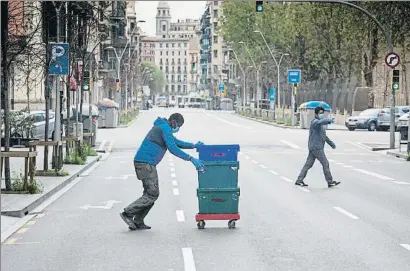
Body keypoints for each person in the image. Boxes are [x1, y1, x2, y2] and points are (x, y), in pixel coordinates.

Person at [120, 113, 205, 230]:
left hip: (145, 162)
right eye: (178, 125)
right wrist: (190, 158)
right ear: (174, 122)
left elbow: (176, 142)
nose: (178, 128)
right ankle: (128, 213)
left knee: (149, 194)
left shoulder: (163, 127)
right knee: (152, 194)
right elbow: (173, 148)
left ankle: (138, 221)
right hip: (145, 163)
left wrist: (193, 145)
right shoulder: (164, 128)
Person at [295, 106, 341, 188]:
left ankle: (299, 180)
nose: (322, 114)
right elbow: (320, 122)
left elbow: (324, 137)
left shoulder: (320, 125)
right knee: (325, 163)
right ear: (316, 114)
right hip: (316, 148)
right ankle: (330, 181)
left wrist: (331, 144)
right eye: (320, 113)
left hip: (314, 147)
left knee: (308, 165)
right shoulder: (315, 122)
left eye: (322, 113)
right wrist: (328, 120)